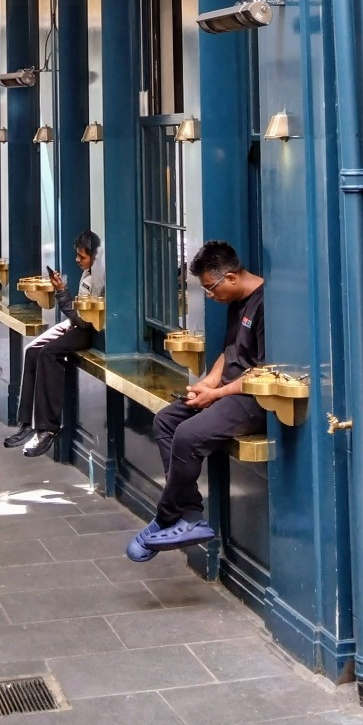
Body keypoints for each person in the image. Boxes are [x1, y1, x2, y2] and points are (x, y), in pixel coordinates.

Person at [126, 240, 265, 560]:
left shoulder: (264, 306)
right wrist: (209, 382)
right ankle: (188, 514)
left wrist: (217, 394)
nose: (209, 295)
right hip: (227, 391)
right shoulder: (236, 300)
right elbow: (230, 350)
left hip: (253, 398)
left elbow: (263, 373)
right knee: (166, 421)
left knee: (188, 435)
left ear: (230, 277)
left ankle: (164, 518)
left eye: (210, 287)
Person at [6, 231, 104, 457]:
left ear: (94, 257)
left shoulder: (95, 281)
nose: (77, 260)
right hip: (77, 324)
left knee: (48, 354)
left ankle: (47, 428)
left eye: (82, 256)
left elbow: (82, 320)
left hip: (89, 329)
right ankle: (27, 423)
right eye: (77, 255)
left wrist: (61, 292)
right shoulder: (88, 274)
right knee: (31, 350)